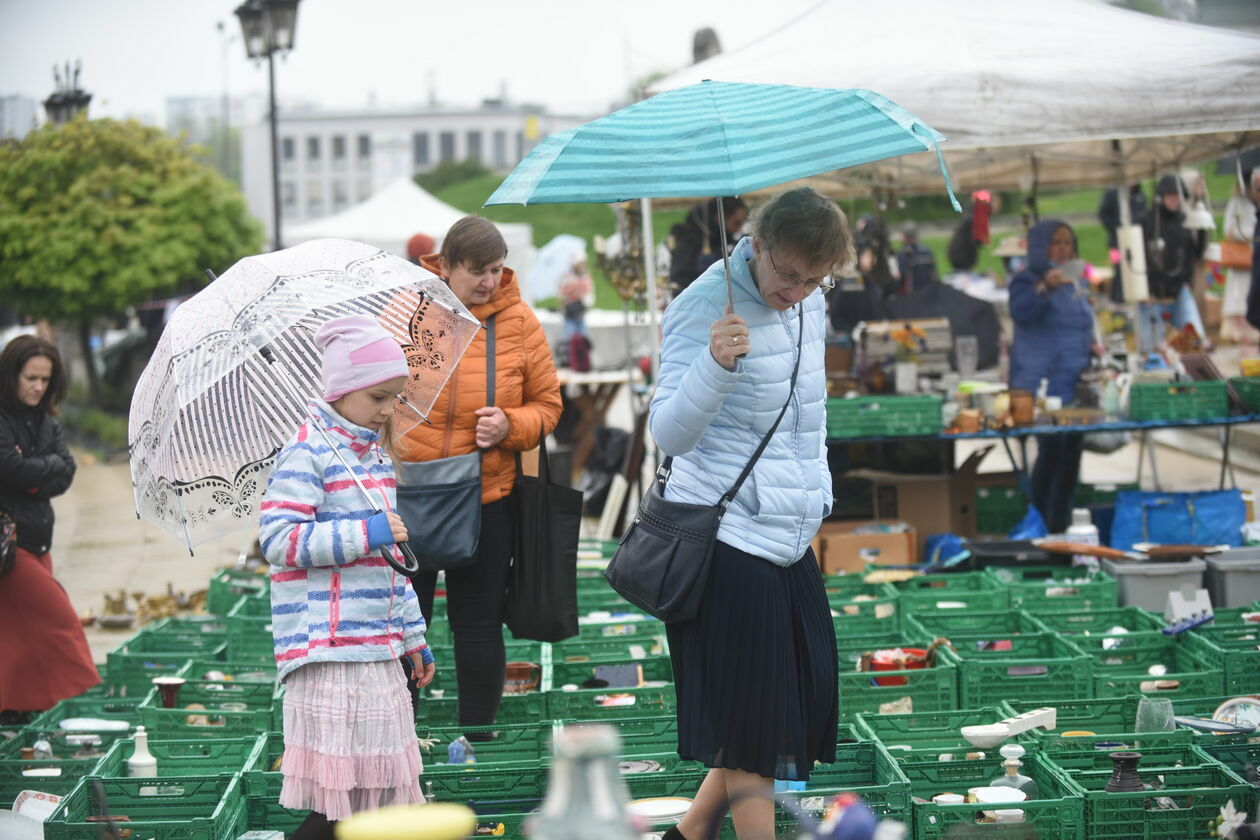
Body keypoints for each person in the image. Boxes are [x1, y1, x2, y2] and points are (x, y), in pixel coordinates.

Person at [650, 187, 847, 840]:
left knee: (785, 710)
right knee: (756, 732)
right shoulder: (702, 306)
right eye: (787, 274)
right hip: (728, 537)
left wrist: (817, 491)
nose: (797, 290)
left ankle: (687, 834)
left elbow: (806, 416)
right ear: (756, 243)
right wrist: (713, 364)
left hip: (790, 534)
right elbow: (668, 433)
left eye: (813, 279)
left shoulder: (810, 301)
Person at [258, 315, 434, 836]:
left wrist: (413, 637)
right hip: (331, 651)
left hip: (376, 647)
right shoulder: (306, 453)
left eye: (394, 397)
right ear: (341, 391)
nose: (387, 410)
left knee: (373, 797)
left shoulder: (373, 460)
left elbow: (394, 564)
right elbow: (279, 541)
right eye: (377, 397)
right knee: (339, 805)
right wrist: (364, 533)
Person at [392, 216, 562, 733]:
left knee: (478, 624)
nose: (488, 281)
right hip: (406, 497)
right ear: (444, 266)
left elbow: (549, 406)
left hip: (488, 498)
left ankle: (478, 740)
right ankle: (399, 741)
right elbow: (365, 391)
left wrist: (511, 424)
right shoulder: (406, 314)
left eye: (495, 269)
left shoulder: (519, 323)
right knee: (402, 627)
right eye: (475, 270)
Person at [0, 335, 100, 724]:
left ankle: (16, 714)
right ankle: (83, 708)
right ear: (11, 375)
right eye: (30, 378)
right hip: (12, 545)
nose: (38, 387)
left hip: (40, 541)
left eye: (45, 380)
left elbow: (67, 472)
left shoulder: (45, 420)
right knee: (61, 623)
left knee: (17, 638)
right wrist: (39, 471)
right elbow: (10, 467)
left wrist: (31, 473)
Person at [1009, 221, 1097, 534]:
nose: (1063, 249)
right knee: (1050, 452)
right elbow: (1022, 311)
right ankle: (1038, 523)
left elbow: (1081, 324)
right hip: (1041, 386)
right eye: (1056, 243)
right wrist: (1045, 286)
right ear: (1040, 246)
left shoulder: (1076, 283)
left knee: (1070, 453)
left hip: (1074, 384)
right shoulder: (1026, 280)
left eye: (1067, 243)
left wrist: (1094, 346)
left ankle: (1059, 523)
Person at [1140, 174, 1207, 354]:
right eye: (1169, 196)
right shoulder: (1148, 222)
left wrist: (1201, 227)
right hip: (1153, 292)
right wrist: (1144, 288)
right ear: (1161, 196)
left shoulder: (1185, 220)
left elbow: (1196, 252)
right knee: (1151, 346)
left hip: (1179, 289)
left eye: (1177, 196)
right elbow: (1140, 257)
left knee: (1194, 339)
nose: (1174, 200)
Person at [667, 197, 749, 295]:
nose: (738, 228)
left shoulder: (711, 238)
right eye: (736, 223)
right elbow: (683, 277)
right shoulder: (690, 239)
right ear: (719, 218)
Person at [1222, 169, 1259, 351]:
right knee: (1243, 308)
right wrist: (1250, 234)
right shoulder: (1237, 203)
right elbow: (1229, 230)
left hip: (1255, 262)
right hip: (1242, 262)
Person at [558, 251, 593, 342]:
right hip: (570, 313)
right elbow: (561, 293)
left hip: (581, 313)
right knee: (569, 337)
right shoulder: (567, 277)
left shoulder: (586, 277)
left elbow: (589, 295)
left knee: (582, 338)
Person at [895, 222, 939, 295]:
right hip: (928, 292)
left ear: (905, 237)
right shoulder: (927, 251)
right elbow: (934, 275)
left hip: (911, 294)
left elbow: (901, 276)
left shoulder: (903, 254)